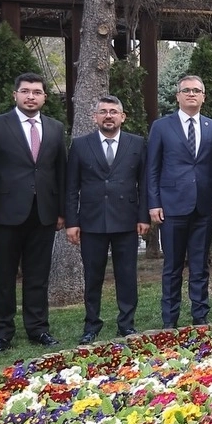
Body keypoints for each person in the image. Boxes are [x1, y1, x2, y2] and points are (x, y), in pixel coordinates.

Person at [0, 72, 66, 352]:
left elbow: (60, 172)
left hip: (43, 213)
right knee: (4, 276)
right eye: (26, 91)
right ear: (15, 95)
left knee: (38, 276)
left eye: (37, 92)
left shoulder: (55, 128)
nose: (31, 96)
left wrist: (62, 211)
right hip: (6, 214)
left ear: (44, 97)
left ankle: (38, 329)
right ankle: (2, 333)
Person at [64, 95, 150, 343]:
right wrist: (72, 222)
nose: (108, 116)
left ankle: (126, 324)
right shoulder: (80, 145)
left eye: (113, 112)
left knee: (127, 275)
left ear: (123, 117)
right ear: (95, 117)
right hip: (91, 222)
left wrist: (143, 217)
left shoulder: (137, 143)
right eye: (103, 112)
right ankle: (91, 325)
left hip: (126, 220)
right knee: (93, 277)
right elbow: (71, 187)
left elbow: (144, 183)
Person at [147, 74, 212, 328]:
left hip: (204, 206)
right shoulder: (161, 127)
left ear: (203, 97)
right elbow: (152, 168)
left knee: (200, 265)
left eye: (196, 91)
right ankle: (170, 319)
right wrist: (154, 202)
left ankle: (200, 315)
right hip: (171, 206)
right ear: (178, 96)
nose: (192, 94)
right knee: (172, 266)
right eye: (187, 90)